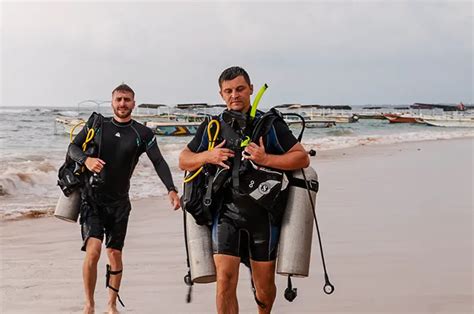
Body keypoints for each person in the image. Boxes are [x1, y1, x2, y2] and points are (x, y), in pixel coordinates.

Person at [179, 66, 309, 314]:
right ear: (221, 94)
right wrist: (209, 155)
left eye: (239, 89)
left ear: (250, 89)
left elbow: (301, 158)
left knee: (264, 287)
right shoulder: (213, 127)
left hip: (264, 216)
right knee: (225, 282)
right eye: (228, 91)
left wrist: (266, 158)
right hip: (225, 215)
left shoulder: (268, 124)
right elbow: (184, 159)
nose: (234, 95)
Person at [67, 84, 180, 314]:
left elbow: (158, 161)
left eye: (127, 100)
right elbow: (73, 147)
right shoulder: (98, 125)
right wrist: (86, 161)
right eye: (118, 99)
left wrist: (171, 188)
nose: (122, 104)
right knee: (94, 250)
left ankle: (111, 304)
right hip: (93, 199)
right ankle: (89, 304)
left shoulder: (143, 133)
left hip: (120, 203)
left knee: (115, 253)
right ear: (112, 102)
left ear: (133, 103)